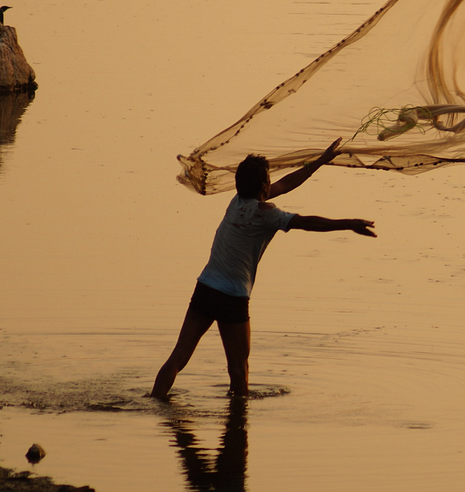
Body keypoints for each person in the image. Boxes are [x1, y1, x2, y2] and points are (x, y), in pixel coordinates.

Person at [151, 139, 375, 400]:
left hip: (205, 288)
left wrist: (321, 161)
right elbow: (306, 222)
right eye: (268, 179)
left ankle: (153, 403)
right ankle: (238, 427)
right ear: (263, 186)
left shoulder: (237, 201)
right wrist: (349, 223)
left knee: (179, 356)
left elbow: (288, 183)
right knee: (239, 370)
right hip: (232, 298)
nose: (272, 182)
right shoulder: (266, 214)